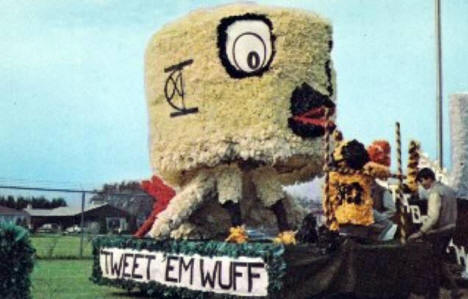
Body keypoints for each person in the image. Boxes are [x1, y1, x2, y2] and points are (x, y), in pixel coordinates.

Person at [408, 167, 460, 299]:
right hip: (450, 228)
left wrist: (420, 232)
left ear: (427, 178)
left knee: (431, 263)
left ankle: (432, 294)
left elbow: (433, 217)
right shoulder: (449, 190)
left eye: (422, 181)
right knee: (439, 260)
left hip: (439, 231)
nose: (422, 185)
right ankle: (454, 288)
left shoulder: (434, 193)